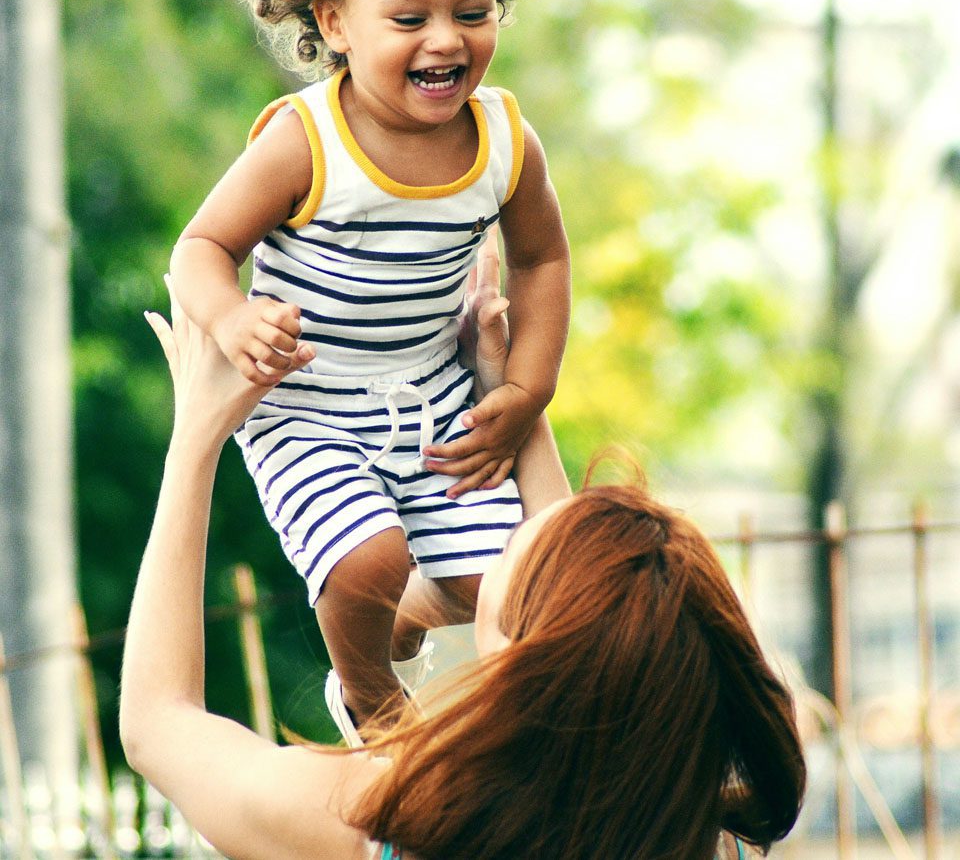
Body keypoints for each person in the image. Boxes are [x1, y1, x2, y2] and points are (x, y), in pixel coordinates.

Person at [122, 272, 806, 860]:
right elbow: (583, 620)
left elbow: (158, 725)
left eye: (513, 550)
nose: (511, 531)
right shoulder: (708, 836)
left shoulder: (383, 823)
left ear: (517, 658)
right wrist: (507, 395)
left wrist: (195, 439)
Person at [168, 0, 570, 740]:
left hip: (431, 396)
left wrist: (525, 390)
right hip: (309, 403)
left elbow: (545, 262)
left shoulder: (505, 141)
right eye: (409, 19)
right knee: (364, 563)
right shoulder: (306, 143)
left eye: (472, 10)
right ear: (334, 20)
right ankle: (374, 706)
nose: (447, 40)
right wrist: (232, 319)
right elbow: (199, 247)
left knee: (501, 585)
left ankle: (407, 614)